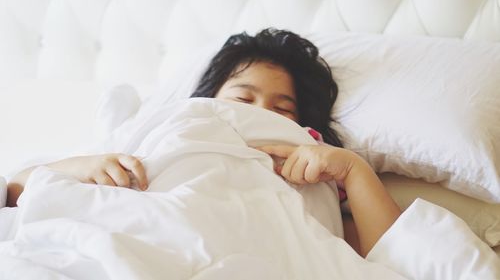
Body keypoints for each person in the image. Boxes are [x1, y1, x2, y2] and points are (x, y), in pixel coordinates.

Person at [6, 28, 401, 257]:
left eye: (283, 110)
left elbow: (393, 254)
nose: (261, 112)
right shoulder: (164, 127)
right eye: (243, 100)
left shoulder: (318, 167)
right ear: (210, 100)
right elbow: (15, 190)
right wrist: (81, 168)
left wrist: (352, 169)